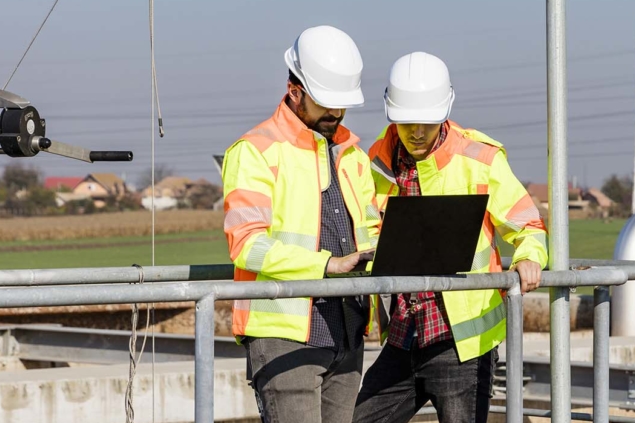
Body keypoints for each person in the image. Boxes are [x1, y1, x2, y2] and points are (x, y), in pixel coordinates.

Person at [353, 52, 548, 423]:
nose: (417, 133)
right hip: (402, 334)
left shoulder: (480, 158)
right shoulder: (373, 162)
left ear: (444, 111)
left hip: (463, 342)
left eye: (427, 123)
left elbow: (528, 226)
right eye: (407, 122)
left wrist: (529, 255)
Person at [221, 25, 381, 423]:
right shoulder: (255, 152)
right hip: (284, 337)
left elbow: (371, 232)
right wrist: (325, 265)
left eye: (342, 104)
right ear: (295, 91)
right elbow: (247, 244)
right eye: (327, 103)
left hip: (348, 330)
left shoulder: (352, 155)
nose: (336, 114)